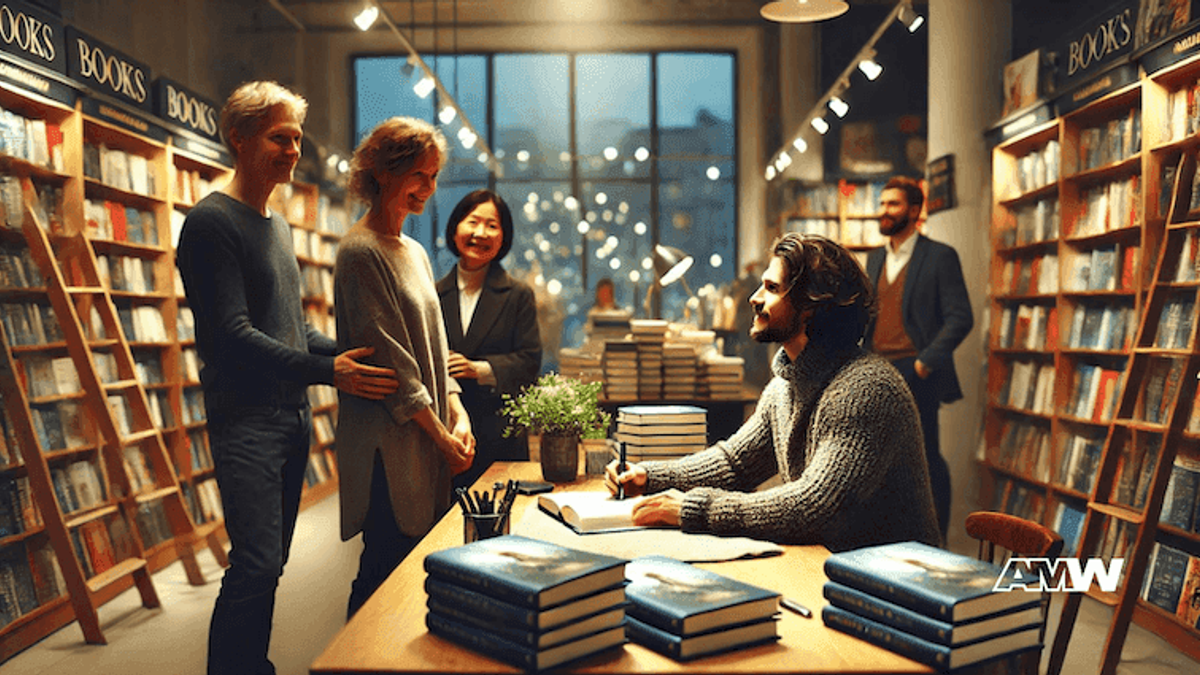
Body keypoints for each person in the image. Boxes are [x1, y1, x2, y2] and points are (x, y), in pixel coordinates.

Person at [176, 81, 399, 675]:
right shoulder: (210, 223)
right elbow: (232, 334)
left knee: (270, 564)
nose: (294, 150)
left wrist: (353, 353)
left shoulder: (276, 223)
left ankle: (256, 665)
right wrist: (329, 370)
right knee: (253, 564)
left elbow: (293, 326)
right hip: (247, 421)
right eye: (280, 137)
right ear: (239, 139)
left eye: (298, 138)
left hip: (291, 418)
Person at [606, 233, 941, 552]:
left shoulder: (867, 390)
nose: (754, 298)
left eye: (771, 288)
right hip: (833, 568)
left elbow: (816, 505)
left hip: (895, 589)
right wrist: (651, 476)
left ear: (810, 307)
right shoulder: (785, 384)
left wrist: (694, 508)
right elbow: (735, 464)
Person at [334, 117, 475, 620]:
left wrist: (458, 411)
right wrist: (441, 437)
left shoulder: (413, 250)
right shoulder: (359, 252)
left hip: (426, 437)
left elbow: (436, 348)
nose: (429, 189)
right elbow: (395, 365)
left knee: (416, 570)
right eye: (419, 174)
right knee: (382, 569)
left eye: (434, 177)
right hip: (387, 445)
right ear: (384, 172)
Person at [863, 176, 974, 540]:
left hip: (916, 371)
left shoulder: (940, 256)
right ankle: (889, 536)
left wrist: (925, 362)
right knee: (877, 459)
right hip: (877, 370)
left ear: (914, 211)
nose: (884, 211)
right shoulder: (875, 258)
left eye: (893, 204)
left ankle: (934, 538)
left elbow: (961, 316)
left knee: (925, 457)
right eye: (882, 204)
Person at [436, 189, 541, 491]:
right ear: (455, 228)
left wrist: (477, 369)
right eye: (473, 222)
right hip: (448, 434)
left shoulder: (518, 295)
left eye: (492, 226)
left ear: (503, 237)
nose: (480, 233)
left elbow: (530, 361)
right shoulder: (432, 294)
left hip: (501, 436)